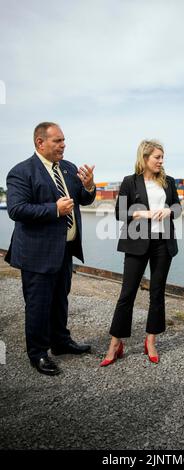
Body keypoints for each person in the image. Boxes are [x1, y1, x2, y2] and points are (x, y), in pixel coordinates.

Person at [5, 122, 96, 376]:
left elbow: (84, 199)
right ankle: (38, 353)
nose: (63, 145)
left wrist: (89, 186)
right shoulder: (21, 172)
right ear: (40, 142)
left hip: (65, 250)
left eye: (64, 140)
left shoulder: (67, 168)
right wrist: (54, 209)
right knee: (38, 304)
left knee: (60, 299)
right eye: (57, 141)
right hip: (36, 252)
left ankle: (60, 342)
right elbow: (16, 209)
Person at [100, 139, 182, 366]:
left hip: (163, 243)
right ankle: (115, 344)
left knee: (157, 292)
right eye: (157, 157)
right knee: (127, 294)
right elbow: (120, 213)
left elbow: (178, 207)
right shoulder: (130, 182)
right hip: (136, 243)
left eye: (162, 157)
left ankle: (151, 341)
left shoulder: (169, 182)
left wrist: (168, 210)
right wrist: (143, 214)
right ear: (144, 158)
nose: (161, 161)